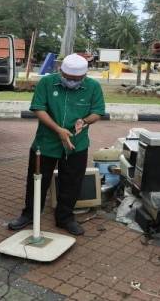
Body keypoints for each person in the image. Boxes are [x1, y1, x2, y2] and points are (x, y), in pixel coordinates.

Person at [8, 54, 105, 235]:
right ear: (61, 71)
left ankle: (65, 218)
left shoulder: (93, 87)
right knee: (37, 181)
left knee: (72, 182)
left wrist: (84, 122)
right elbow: (38, 108)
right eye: (68, 78)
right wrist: (58, 130)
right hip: (45, 144)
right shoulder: (47, 83)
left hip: (76, 144)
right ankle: (29, 214)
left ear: (84, 76)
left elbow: (98, 112)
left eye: (77, 80)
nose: (72, 82)